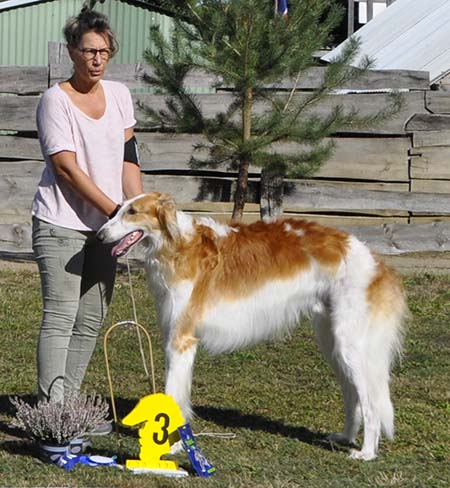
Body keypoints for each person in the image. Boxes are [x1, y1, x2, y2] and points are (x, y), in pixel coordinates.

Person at [31, 9, 143, 416]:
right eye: (89, 51)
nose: (97, 59)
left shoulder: (119, 95)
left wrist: (136, 212)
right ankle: (51, 413)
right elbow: (66, 168)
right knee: (61, 316)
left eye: (104, 51)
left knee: (92, 318)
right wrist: (116, 211)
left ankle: (70, 406)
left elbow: (128, 158)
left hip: (106, 229)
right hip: (60, 224)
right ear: (72, 51)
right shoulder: (55, 100)